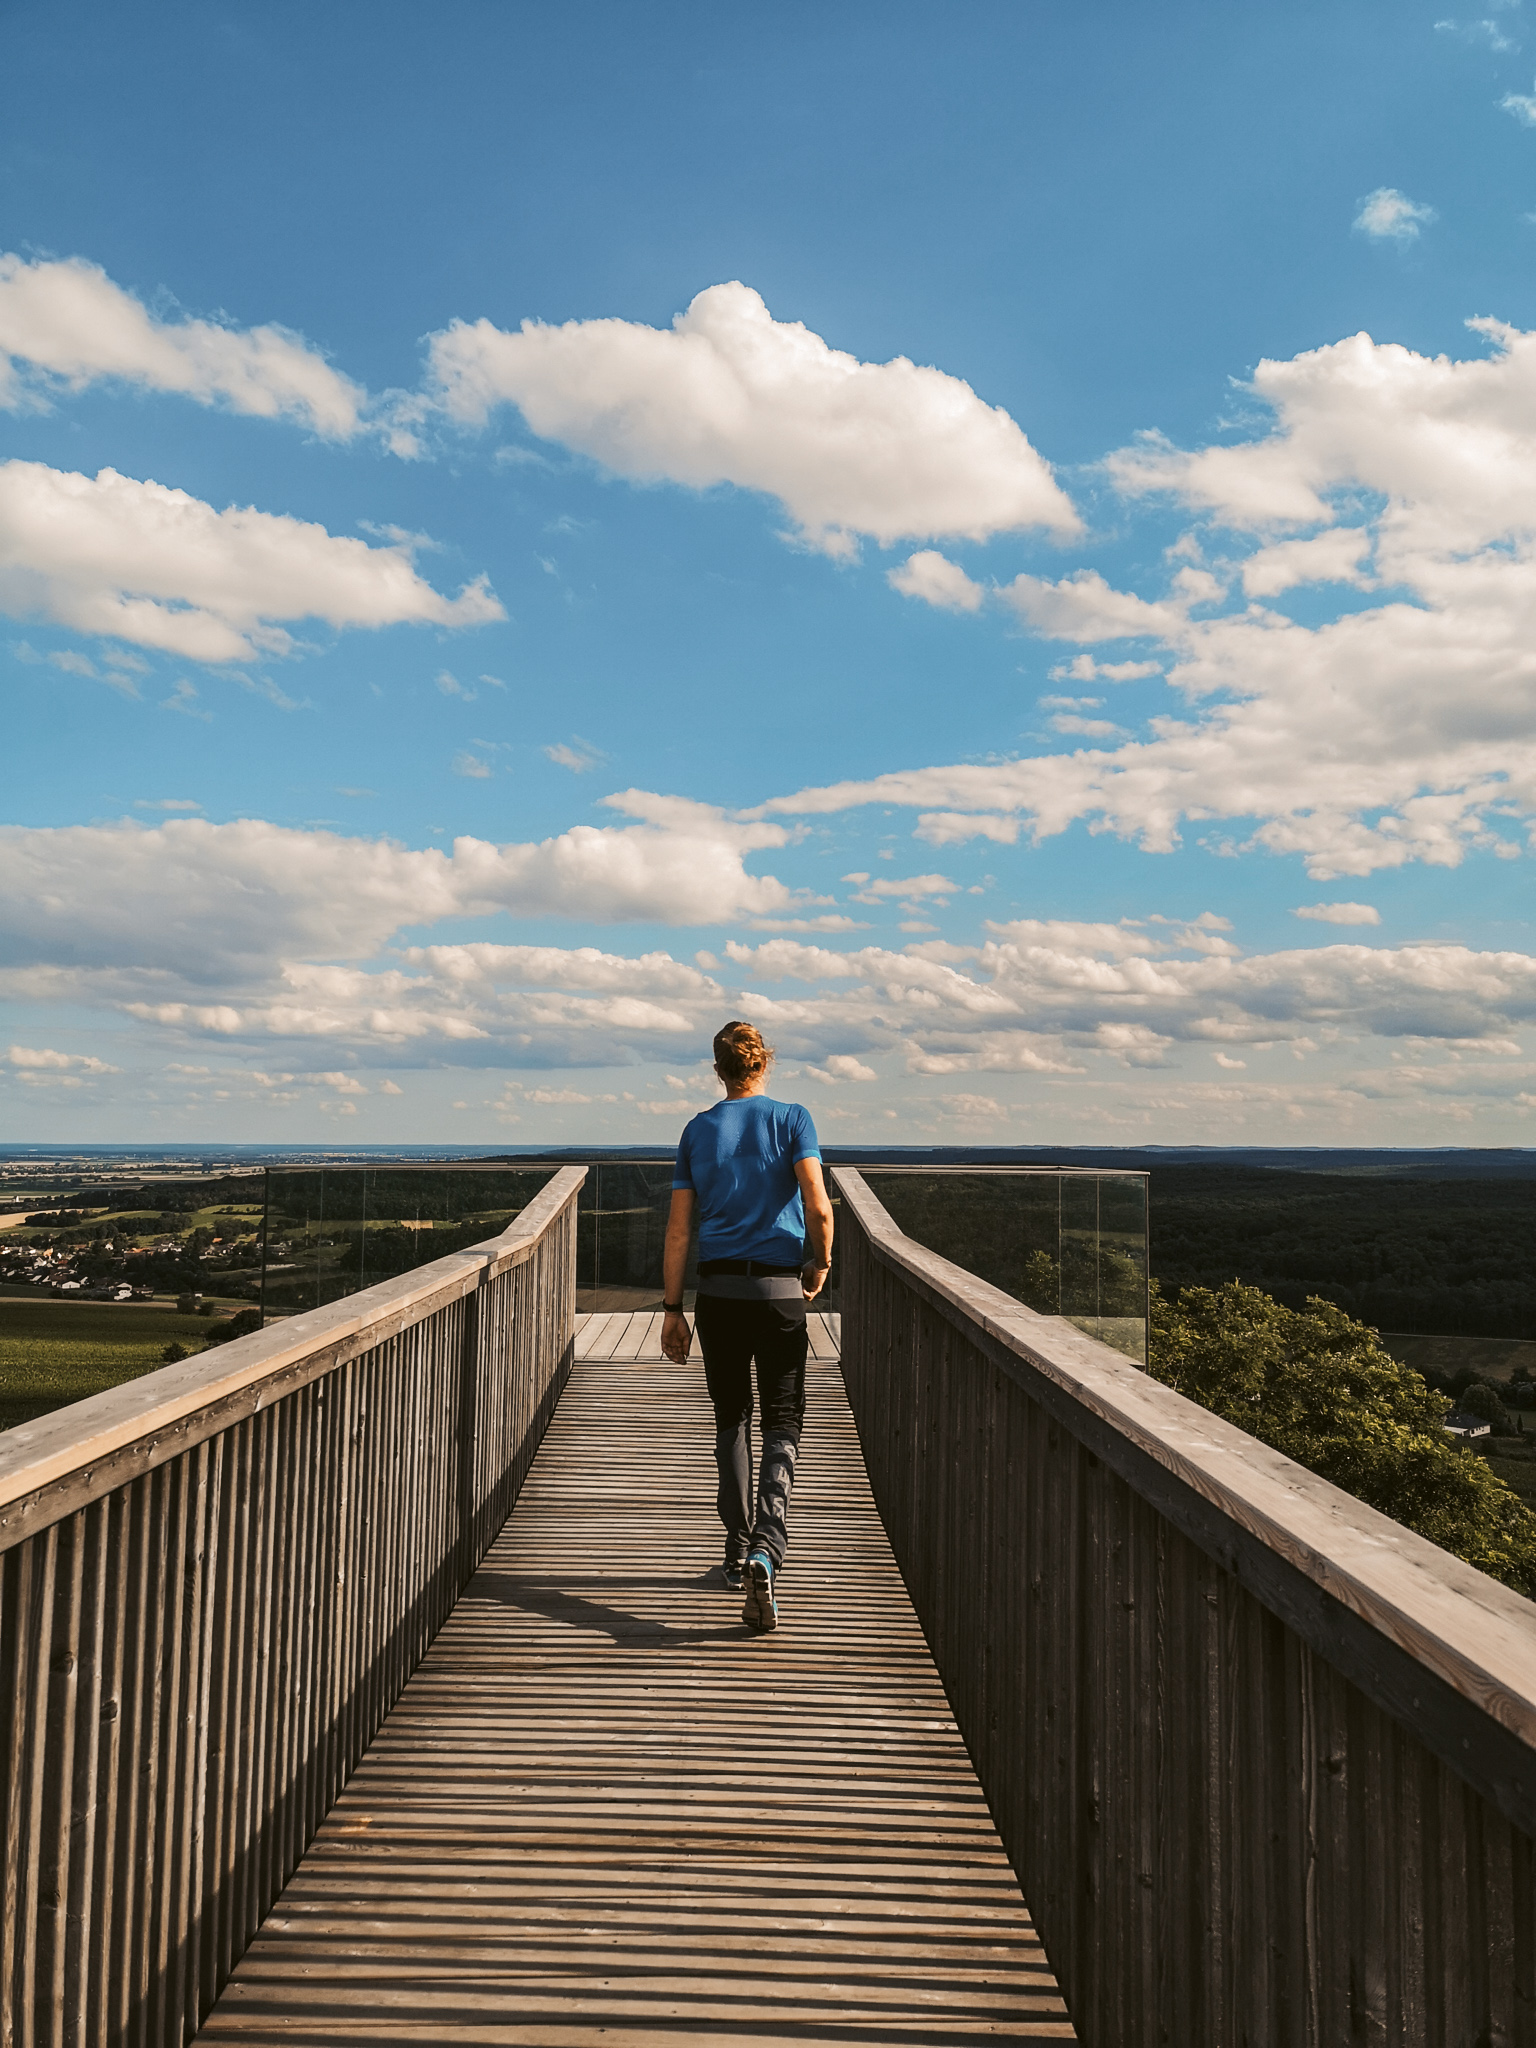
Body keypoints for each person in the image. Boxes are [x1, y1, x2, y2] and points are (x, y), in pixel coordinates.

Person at [660, 1021, 834, 1634]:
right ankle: (767, 1543)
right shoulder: (793, 1119)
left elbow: (679, 1230)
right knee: (783, 1418)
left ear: (719, 1069)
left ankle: (735, 1551)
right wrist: (820, 1262)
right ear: (764, 1063)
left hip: (719, 1294)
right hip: (780, 1291)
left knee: (731, 1416)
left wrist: (672, 1310)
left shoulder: (697, 1130)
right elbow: (817, 1204)